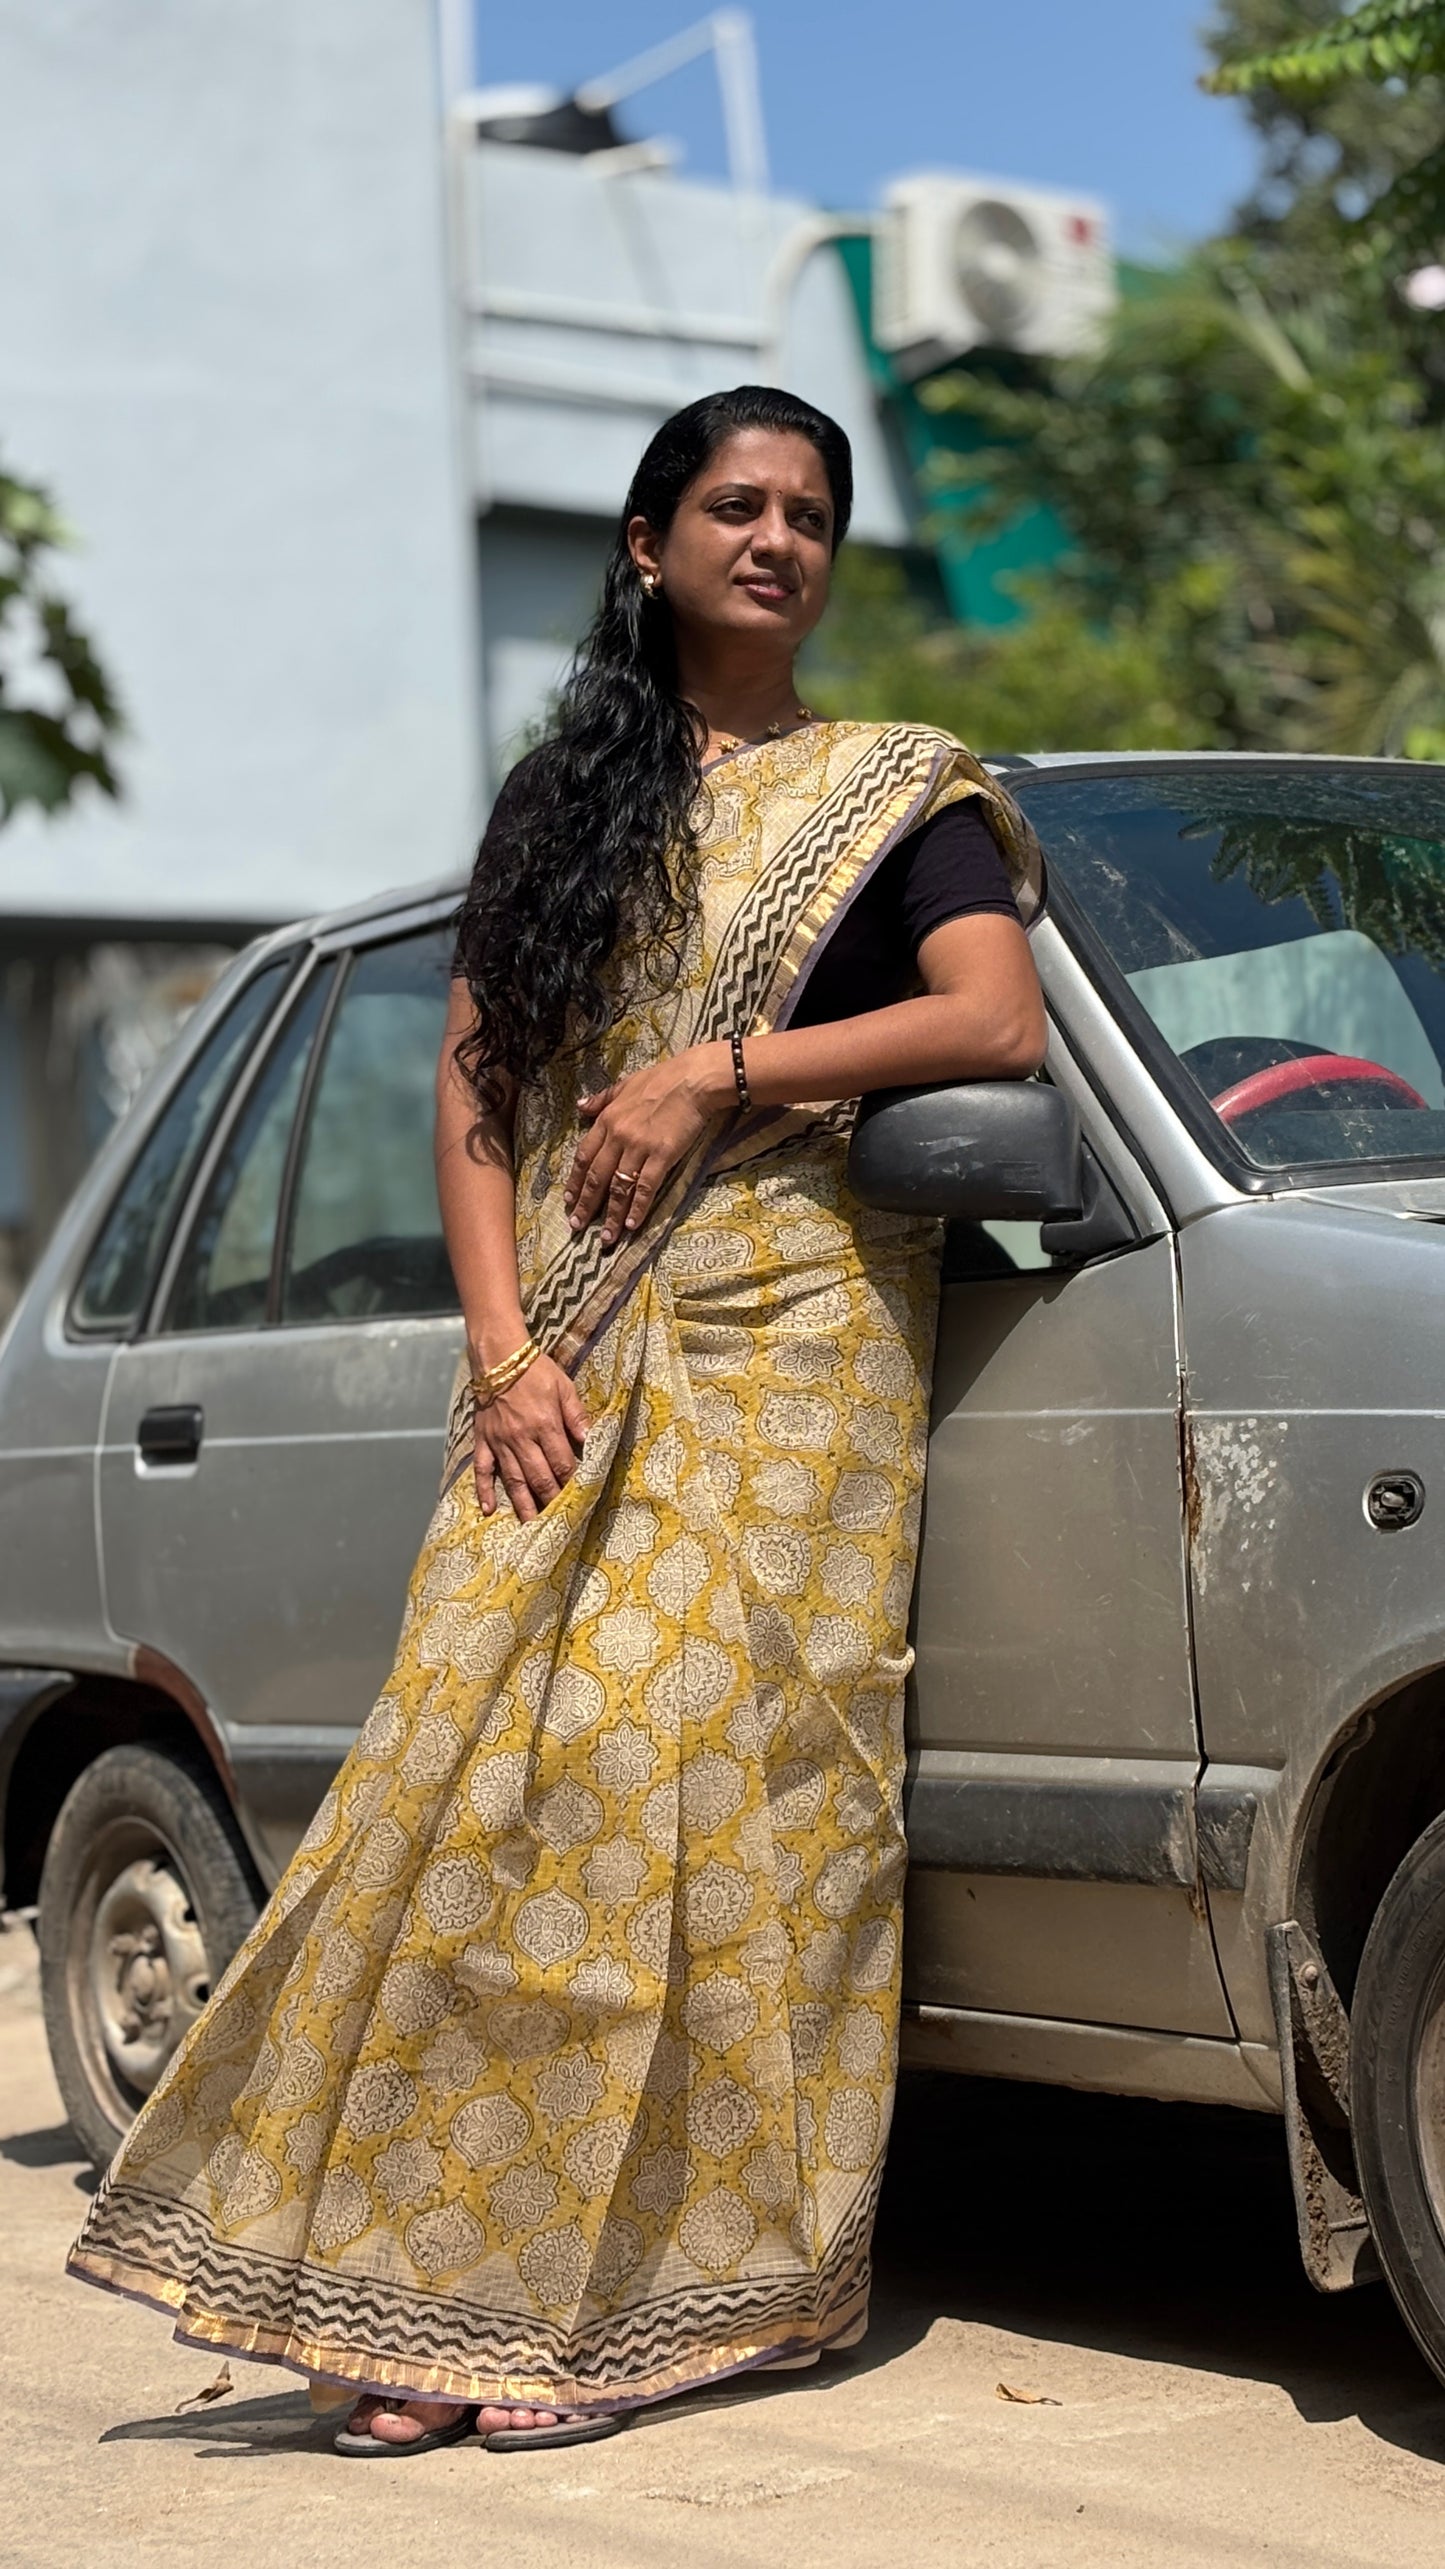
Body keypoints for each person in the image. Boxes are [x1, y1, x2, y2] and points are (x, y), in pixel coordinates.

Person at [69, 385, 1046, 2455]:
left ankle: (709, 2290)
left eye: (808, 514)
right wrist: (507, 1351)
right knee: (477, 1797)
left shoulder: (902, 796)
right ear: (647, 540)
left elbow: (992, 1022)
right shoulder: (565, 803)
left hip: (800, 1339)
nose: (774, 538)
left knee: (714, 1803)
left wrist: (724, 1070)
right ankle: (436, 2289)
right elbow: (475, 1090)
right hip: (569, 1351)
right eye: (733, 504)